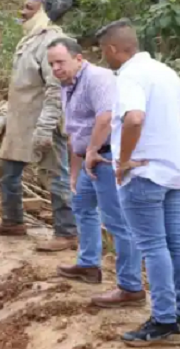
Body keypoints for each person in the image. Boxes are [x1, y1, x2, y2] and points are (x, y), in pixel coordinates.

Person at [98, 19, 180, 345]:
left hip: (143, 176)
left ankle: (165, 322)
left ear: (113, 49)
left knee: (153, 246)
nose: (104, 59)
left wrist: (124, 159)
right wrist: (177, 141)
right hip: (171, 172)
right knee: (177, 242)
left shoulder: (130, 75)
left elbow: (134, 117)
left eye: (103, 52)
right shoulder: (163, 71)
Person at [46, 37, 145, 307]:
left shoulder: (98, 78)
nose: (56, 68)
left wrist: (90, 153)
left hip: (105, 157)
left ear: (79, 59)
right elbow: (74, 132)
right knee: (81, 206)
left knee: (117, 223)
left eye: (60, 62)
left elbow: (105, 118)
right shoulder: (66, 86)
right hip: (87, 158)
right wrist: (74, 172)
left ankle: (131, 286)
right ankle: (89, 264)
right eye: (52, 63)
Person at [0, 0, 78, 251]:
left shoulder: (51, 42)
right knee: (6, 172)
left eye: (29, 7)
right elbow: (22, 87)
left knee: (56, 177)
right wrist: (5, 116)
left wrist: (46, 127)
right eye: (23, 6)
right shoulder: (30, 39)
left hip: (42, 123)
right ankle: (12, 221)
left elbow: (56, 89)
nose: (22, 11)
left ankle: (66, 233)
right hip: (20, 121)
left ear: (44, 11)